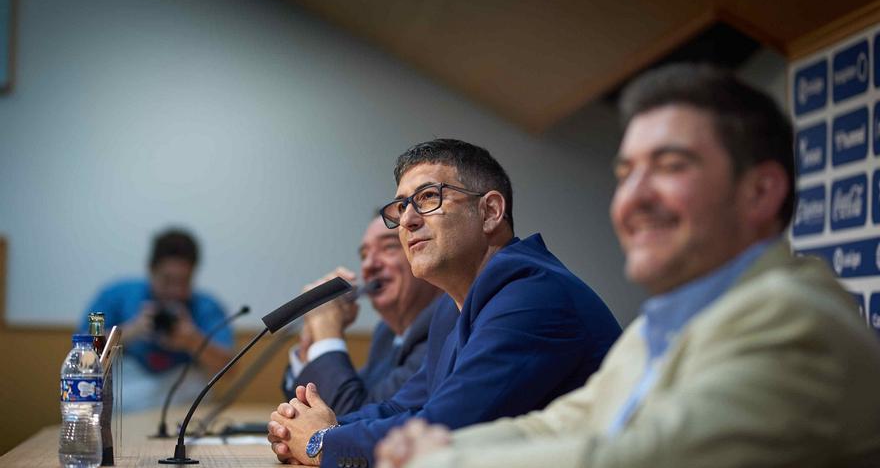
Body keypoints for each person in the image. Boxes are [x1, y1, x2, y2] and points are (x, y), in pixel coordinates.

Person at [375, 64, 880, 468]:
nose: (632, 198)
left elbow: (639, 458)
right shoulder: (661, 325)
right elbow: (562, 425)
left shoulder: (796, 319)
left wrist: (440, 459)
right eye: (627, 172)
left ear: (760, 191)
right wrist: (432, 448)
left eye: (670, 166)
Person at [267, 139, 622, 467]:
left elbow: (444, 429)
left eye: (427, 198)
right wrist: (301, 428)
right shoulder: (451, 308)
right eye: (402, 206)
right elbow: (402, 406)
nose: (407, 220)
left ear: (491, 212)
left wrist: (321, 442)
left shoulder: (533, 296)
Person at [281, 215, 451, 415]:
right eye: (364, 255)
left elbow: (353, 417)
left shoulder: (446, 327)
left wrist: (327, 338)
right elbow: (332, 406)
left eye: (388, 247)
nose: (369, 265)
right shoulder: (385, 333)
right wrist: (311, 342)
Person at [79, 228, 233, 411]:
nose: (175, 291)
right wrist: (131, 331)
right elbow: (83, 352)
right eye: (167, 280)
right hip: (127, 393)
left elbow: (231, 369)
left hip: (180, 396)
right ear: (151, 270)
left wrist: (192, 340)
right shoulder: (114, 294)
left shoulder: (207, 306)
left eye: (184, 281)